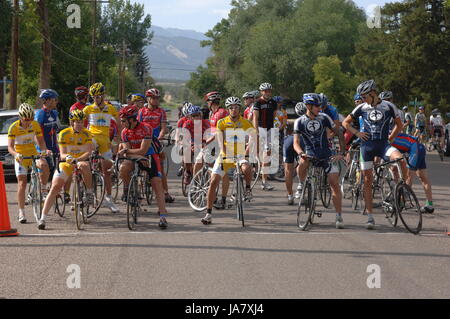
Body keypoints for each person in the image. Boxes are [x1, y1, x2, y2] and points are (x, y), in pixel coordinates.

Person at [343, 80, 406, 230]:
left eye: (365, 97)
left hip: (384, 145)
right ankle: (370, 216)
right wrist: (357, 133)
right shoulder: (362, 107)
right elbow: (346, 123)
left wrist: (391, 138)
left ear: (373, 94)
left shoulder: (388, 106)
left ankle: (400, 189)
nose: (363, 100)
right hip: (367, 147)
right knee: (367, 180)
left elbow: (400, 125)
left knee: (400, 160)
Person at [201, 97, 256, 225]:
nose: (234, 109)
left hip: (240, 154)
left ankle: (247, 189)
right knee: (214, 181)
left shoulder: (245, 123)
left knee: (247, 168)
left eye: (236, 107)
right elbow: (220, 139)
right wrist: (225, 153)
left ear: (239, 109)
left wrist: (247, 152)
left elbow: (253, 137)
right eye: (231, 107)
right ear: (228, 109)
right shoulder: (222, 122)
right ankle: (208, 213)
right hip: (225, 155)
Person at [294, 94, 345, 229]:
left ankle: (339, 215)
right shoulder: (299, 121)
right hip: (310, 154)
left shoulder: (324, 118)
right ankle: (302, 184)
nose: (319, 108)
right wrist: (301, 153)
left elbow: (339, 132)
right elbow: (296, 142)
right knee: (301, 163)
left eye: (320, 105)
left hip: (327, 155)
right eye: (317, 106)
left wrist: (341, 152)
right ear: (308, 106)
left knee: (334, 184)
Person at [38, 110, 94, 230]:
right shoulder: (64, 133)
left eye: (81, 122)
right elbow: (62, 154)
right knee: (55, 187)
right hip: (66, 162)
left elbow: (88, 152)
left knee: (84, 166)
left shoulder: (87, 134)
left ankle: (89, 192)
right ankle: (43, 218)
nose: (79, 124)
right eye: (76, 122)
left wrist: (77, 159)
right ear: (71, 122)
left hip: (81, 160)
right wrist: (69, 158)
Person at [118, 105, 168, 229]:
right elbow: (128, 151)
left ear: (132, 119)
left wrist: (128, 152)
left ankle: (162, 216)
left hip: (150, 157)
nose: (122, 123)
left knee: (157, 184)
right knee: (123, 168)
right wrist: (131, 153)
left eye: (124, 120)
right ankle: (131, 190)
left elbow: (143, 149)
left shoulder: (146, 128)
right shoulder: (124, 132)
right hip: (136, 157)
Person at [8, 103, 51, 224]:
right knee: (22, 183)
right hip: (21, 156)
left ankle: (43, 190)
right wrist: (16, 154)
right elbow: (10, 147)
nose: (28, 122)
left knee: (44, 164)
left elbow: (41, 141)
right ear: (20, 117)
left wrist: (44, 151)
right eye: (26, 119)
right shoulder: (13, 127)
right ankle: (21, 212)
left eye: (30, 119)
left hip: (32, 153)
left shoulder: (35, 124)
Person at [83, 82, 121, 213]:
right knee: (86, 163)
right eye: (93, 97)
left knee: (107, 171)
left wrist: (117, 140)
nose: (96, 99)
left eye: (98, 96)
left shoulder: (110, 108)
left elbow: (119, 124)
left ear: (103, 96)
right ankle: (85, 192)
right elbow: (80, 125)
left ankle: (108, 198)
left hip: (105, 140)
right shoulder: (88, 109)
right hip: (92, 138)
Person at [139, 88, 174, 203]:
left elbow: (163, 128)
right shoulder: (141, 112)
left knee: (160, 167)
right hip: (143, 139)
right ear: (148, 99)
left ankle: (165, 192)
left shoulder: (161, 112)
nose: (156, 100)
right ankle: (138, 188)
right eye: (154, 98)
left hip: (156, 140)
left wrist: (159, 138)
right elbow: (137, 126)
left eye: (157, 98)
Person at [391, 133, 434, 213]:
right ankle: (429, 205)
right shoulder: (393, 133)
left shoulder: (388, 139)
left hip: (415, 149)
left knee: (408, 177)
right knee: (423, 178)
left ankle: (400, 204)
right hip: (420, 147)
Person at [35, 89, 61, 197]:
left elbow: (58, 130)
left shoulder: (54, 113)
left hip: (54, 146)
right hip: (42, 147)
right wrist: (43, 150)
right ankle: (44, 190)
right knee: (45, 166)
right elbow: (36, 135)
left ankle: (55, 188)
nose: (56, 101)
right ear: (49, 100)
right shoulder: (40, 115)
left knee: (61, 167)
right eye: (55, 99)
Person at [252, 82, 277, 191]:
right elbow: (255, 118)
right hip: (261, 129)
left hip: (270, 130)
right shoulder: (257, 102)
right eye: (265, 91)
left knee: (267, 155)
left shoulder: (273, 102)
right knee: (264, 154)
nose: (267, 92)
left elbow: (274, 116)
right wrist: (256, 131)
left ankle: (264, 181)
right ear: (261, 92)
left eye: (269, 91)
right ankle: (255, 172)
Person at [182, 105, 211, 184]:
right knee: (187, 151)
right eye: (194, 116)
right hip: (191, 141)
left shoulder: (206, 123)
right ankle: (188, 172)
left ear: (201, 115)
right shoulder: (187, 124)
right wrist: (191, 145)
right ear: (190, 117)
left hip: (203, 142)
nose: (196, 117)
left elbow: (210, 135)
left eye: (198, 115)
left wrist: (205, 143)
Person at [284, 102, 305, 205]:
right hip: (303, 141)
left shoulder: (292, 119)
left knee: (288, 170)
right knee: (304, 164)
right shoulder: (309, 119)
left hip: (289, 141)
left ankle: (290, 195)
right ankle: (301, 185)